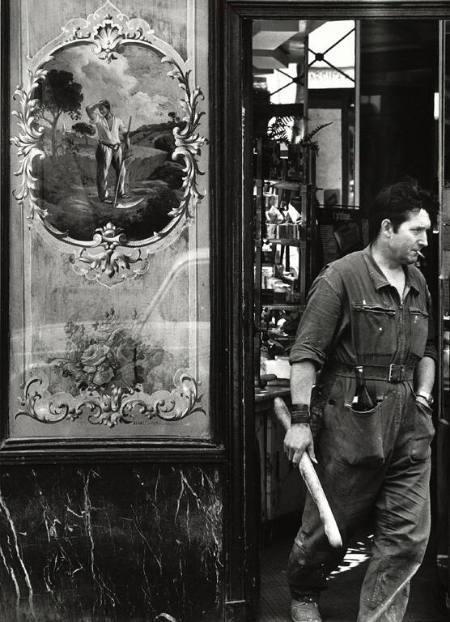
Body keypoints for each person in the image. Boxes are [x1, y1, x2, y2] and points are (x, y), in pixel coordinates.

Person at [284, 181, 437, 622]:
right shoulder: (341, 277)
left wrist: (423, 398)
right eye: (417, 231)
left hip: (410, 426)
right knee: (329, 526)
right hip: (353, 423)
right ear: (387, 228)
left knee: (405, 536)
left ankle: (380, 617)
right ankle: (304, 591)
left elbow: (426, 351)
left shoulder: (419, 282)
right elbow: (306, 353)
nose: (425, 241)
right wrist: (300, 419)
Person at [86, 99, 130, 202]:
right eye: (100, 109)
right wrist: (98, 104)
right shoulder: (98, 119)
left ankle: (120, 193)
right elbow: (88, 109)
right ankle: (103, 196)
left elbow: (125, 134)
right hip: (104, 148)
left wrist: (127, 145)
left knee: (122, 171)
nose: (101, 111)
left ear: (108, 108)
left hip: (117, 148)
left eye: (103, 109)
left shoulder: (118, 120)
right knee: (103, 172)